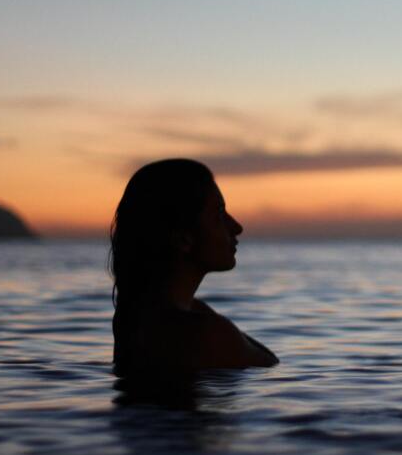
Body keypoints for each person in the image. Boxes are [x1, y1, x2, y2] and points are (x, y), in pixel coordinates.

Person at [109, 159, 278, 378]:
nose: (236, 227)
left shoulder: (134, 316)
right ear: (183, 239)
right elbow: (270, 366)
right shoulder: (205, 333)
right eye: (219, 214)